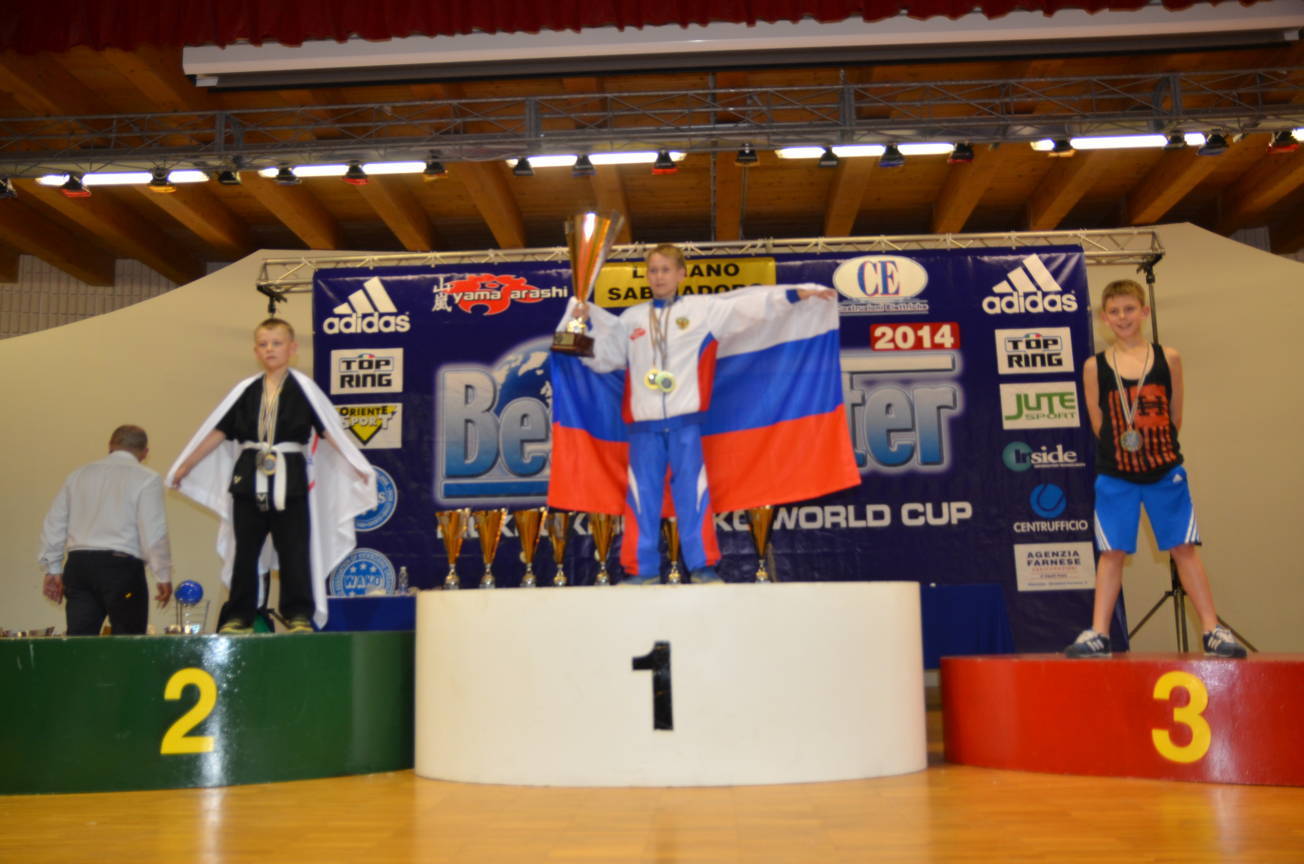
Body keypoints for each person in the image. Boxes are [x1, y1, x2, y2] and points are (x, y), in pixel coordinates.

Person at [556, 244, 853, 585]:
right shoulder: (631, 319)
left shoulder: (703, 311)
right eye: (653, 270)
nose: (659, 277)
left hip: (685, 424)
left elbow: (750, 306)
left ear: (681, 274)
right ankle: (642, 571)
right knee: (641, 499)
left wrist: (795, 295)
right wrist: (577, 324)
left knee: (694, 497)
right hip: (642, 427)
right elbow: (602, 359)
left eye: (666, 270)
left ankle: (702, 567)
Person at [1065, 279, 1245, 658]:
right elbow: (1098, 423)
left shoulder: (1169, 358)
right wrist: (1126, 451)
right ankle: (1099, 634)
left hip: (1164, 471)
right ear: (1104, 318)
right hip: (1116, 474)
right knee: (1112, 552)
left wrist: (1153, 450)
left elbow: (1175, 415)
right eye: (1114, 311)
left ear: (1144, 312)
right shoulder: (1094, 367)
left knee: (1183, 548)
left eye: (1129, 309)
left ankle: (1211, 630)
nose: (1122, 317)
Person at [169, 318, 376, 635]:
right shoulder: (244, 391)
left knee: (295, 550)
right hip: (248, 478)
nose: (270, 349)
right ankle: (240, 616)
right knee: (245, 551)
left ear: (292, 348)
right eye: (263, 345)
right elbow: (219, 432)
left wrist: (356, 463)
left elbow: (329, 432)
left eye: (276, 343)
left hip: (290, 478)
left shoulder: (305, 390)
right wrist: (186, 465)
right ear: (255, 350)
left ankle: (298, 615)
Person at [39, 425, 173, 635]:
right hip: (121, 568)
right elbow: (153, 530)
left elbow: (55, 522)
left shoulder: (78, 475)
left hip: (79, 566)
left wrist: (53, 568)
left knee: (79, 642)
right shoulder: (147, 478)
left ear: (110, 445)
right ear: (145, 452)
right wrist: (162, 574)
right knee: (128, 641)